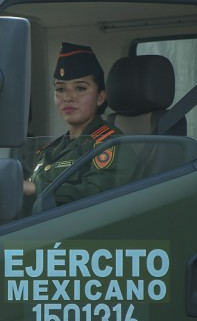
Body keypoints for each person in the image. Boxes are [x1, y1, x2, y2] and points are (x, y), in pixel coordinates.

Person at [23, 42, 136, 208]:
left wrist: (35, 188)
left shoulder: (111, 144)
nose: (68, 97)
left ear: (100, 97)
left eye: (80, 88)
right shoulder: (51, 149)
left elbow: (98, 195)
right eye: (60, 89)